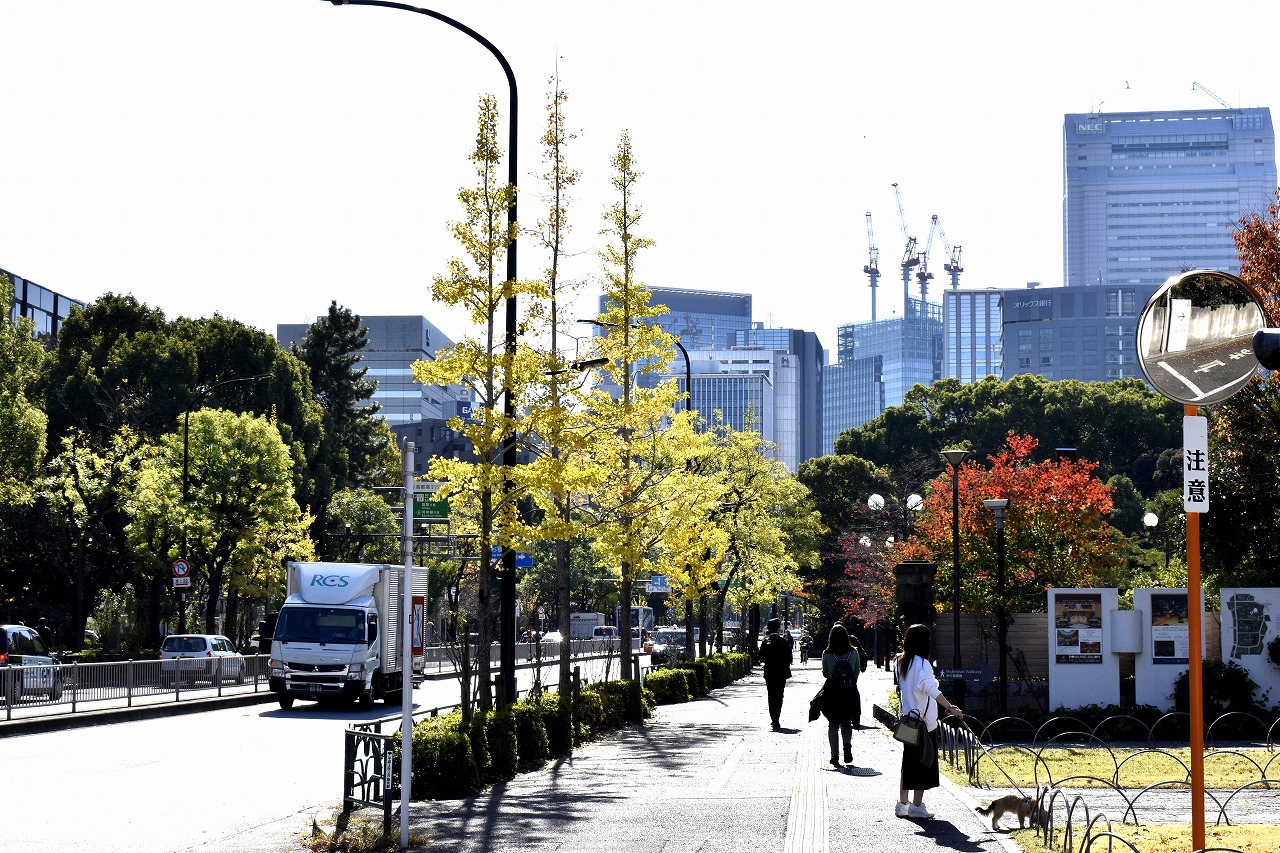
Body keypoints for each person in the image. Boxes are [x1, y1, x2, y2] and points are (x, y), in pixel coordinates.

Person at [895, 623, 963, 820]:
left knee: (908, 762)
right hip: (924, 723)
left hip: (907, 721)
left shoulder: (901, 662)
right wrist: (950, 707)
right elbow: (930, 689)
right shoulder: (922, 664)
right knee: (924, 761)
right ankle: (917, 806)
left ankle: (902, 804)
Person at [820, 623, 861, 767]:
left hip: (832, 692)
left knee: (833, 724)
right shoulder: (853, 652)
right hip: (849, 691)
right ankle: (847, 745)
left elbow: (825, 674)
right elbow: (856, 671)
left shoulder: (827, 653)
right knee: (846, 722)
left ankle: (834, 756)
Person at [759, 617, 793, 729]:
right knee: (779, 695)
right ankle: (776, 717)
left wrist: (768, 660)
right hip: (781, 672)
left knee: (771, 694)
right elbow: (789, 658)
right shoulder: (783, 642)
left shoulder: (765, 642)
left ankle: (773, 716)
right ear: (778, 629)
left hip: (769, 672)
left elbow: (760, 657)